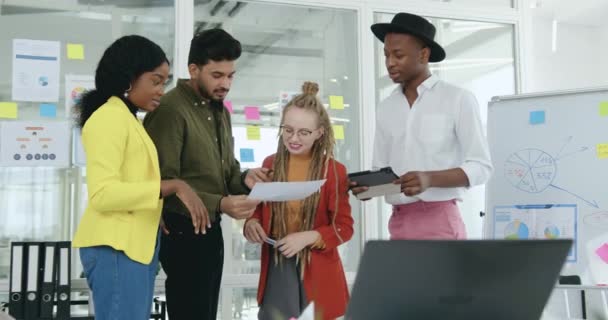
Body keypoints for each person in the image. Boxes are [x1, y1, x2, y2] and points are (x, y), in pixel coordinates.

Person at [72, 35, 207, 320]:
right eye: (155, 81)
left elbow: (130, 182)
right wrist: (172, 186)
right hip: (116, 248)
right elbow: (103, 194)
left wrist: (153, 208)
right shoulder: (108, 118)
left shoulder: (128, 119)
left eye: (164, 83)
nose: (161, 90)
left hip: (132, 248)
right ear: (128, 79)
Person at [143, 28, 268, 319]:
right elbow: (161, 186)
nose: (225, 83)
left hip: (211, 230)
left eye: (230, 76)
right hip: (181, 230)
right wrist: (221, 203)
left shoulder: (220, 111)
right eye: (217, 75)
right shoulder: (170, 110)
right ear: (193, 69)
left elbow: (227, 172)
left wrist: (246, 178)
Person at [351, 12, 493, 240]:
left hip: (440, 220)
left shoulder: (457, 98)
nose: (390, 63)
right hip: (398, 221)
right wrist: (369, 189)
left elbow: (482, 167)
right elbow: (384, 173)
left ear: (424, 55)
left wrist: (429, 179)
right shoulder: (386, 107)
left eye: (398, 55)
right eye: (386, 55)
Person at [244, 82, 354, 320]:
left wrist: (307, 237)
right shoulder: (270, 164)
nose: (293, 138)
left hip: (319, 273)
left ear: (319, 133)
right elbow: (258, 210)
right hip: (278, 269)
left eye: (304, 132)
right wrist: (251, 223)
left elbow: (344, 228)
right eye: (288, 130)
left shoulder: (334, 171)